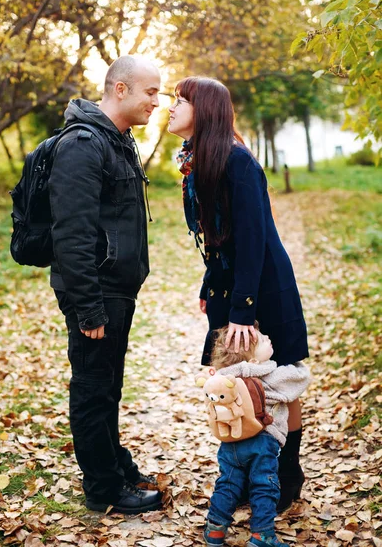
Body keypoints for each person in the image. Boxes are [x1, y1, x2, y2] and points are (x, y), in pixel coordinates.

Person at [168, 77, 309, 512]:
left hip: (263, 287)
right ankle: (252, 475)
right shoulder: (197, 162)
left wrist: (244, 312)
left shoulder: (238, 161)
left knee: (279, 381)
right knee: (236, 382)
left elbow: (253, 239)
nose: (170, 108)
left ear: (205, 109)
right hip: (230, 287)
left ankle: (286, 476)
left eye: (180, 100)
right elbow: (217, 239)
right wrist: (210, 287)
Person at [49, 55, 162, 514]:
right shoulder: (82, 144)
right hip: (97, 291)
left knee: (108, 385)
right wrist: (88, 306)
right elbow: (71, 233)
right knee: (94, 388)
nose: (158, 101)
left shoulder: (116, 140)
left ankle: (115, 464)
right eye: (150, 92)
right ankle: (103, 489)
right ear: (120, 90)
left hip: (116, 288)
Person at [202, 326, 310, 547]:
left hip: (231, 442)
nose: (268, 338)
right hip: (264, 441)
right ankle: (262, 535)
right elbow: (302, 376)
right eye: (262, 340)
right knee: (264, 485)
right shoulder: (271, 375)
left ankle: (214, 530)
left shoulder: (222, 378)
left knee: (228, 483)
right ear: (253, 358)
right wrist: (290, 358)